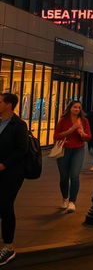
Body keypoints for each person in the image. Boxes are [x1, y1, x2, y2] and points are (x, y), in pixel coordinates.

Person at [0, 93, 29, 266]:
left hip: (12, 172)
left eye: (0, 101)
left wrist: (4, 164)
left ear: (9, 105)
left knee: (5, 204)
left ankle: (9, 246)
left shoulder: (19, 125)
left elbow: (21, 149)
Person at [53, 101, 91, 213]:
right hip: (64, 149)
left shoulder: (84, 121)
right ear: (70, 108)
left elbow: (88, 136)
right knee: (64, 177)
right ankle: (65, 198)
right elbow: (56, 136)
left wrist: (83, 134)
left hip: (78, 150)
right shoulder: (63, 120)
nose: (77, 109)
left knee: (74, 175)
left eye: (79, 107)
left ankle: (72, 202)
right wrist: (71, 129)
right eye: (75, 107)